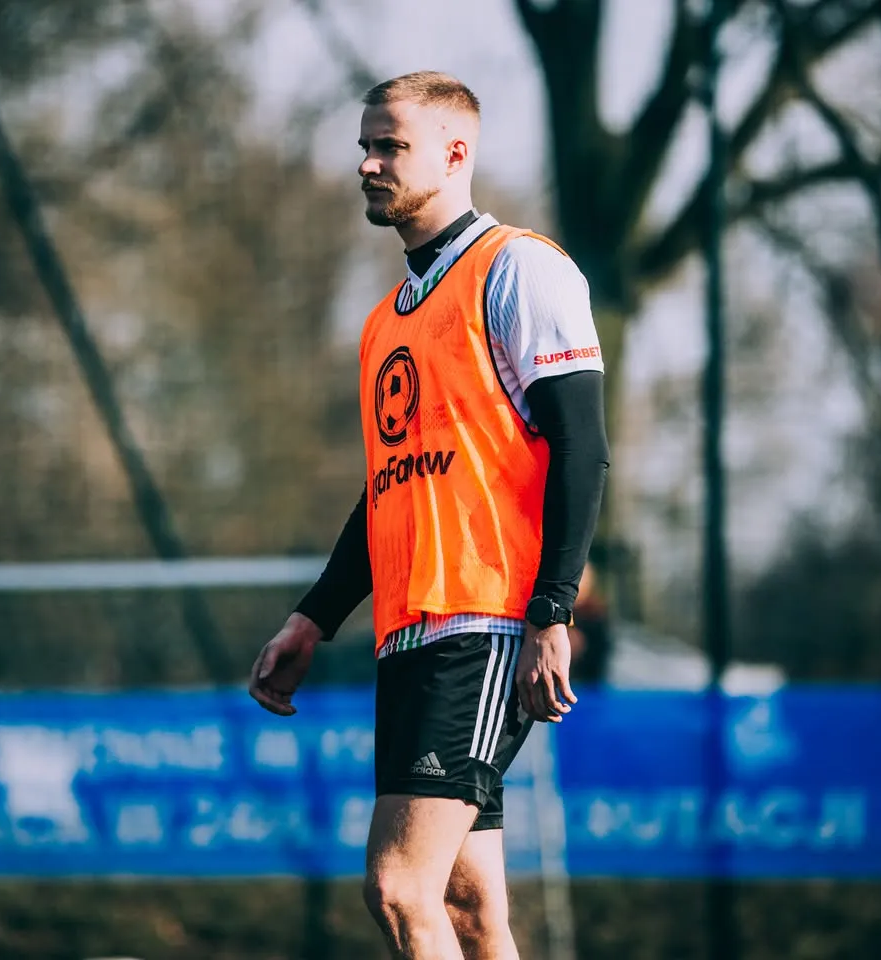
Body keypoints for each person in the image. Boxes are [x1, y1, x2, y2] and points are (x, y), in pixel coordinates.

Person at [248, 71, 610, 960]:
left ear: (455, 154)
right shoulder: (385, 323)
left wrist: (552, 611)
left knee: (398, 886)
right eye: (365, 147)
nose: (367, 164)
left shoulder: (518, 268)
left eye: (390, 147)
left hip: (484, 623)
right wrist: (314, 617)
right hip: (412, 634)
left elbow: (583, 447)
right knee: (465, 905)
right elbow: (389, 490)